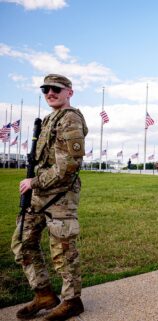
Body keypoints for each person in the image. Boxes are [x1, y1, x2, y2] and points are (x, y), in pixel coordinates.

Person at [11, 74, 88, 320]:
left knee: (63, 250)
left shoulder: (71, 119)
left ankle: (72, 300)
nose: (49, 93)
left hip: (60, 196)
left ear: (69, 92)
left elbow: (68, 166)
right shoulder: (47, 120)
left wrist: (33, 182)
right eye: (45, 89)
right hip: (38, 195)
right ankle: (43, 294)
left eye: (56, 88)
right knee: (23, 242)